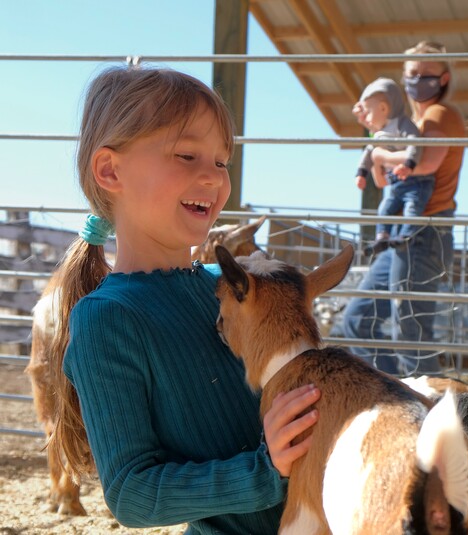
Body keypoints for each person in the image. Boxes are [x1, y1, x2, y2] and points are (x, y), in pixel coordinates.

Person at [49, 66, 320, 533]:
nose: (213, 178)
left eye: (221, 162)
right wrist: (265, 468)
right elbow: (133, 493)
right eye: (187, 155)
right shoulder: (107, 319)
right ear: (111, 170)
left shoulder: (235, 286)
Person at [342, 41, 466, 376]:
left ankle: (427, 410)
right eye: (412, 73)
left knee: (409, 330)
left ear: (444, 78)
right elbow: (383, 182)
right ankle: (395, 396)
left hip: (425, 229)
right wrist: (375, 126)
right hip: (400, 234)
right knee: (358, 319)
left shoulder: (440, 115)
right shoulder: (408, 124)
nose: (418, 80)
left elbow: (424, 164)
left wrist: (380, 155)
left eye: (427, 73)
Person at [353, 77, 433, 256]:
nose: (366, 118)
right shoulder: (379, 133)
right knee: (384, 208)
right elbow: (368, 152)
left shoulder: (402, 125)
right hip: (396, 183)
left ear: (383, 108)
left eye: (368, 112)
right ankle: (382, 235)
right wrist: (361, 172)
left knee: (412, 207)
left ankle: (406, 235)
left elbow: (415, 144)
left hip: (416, 180)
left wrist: (409, 164)